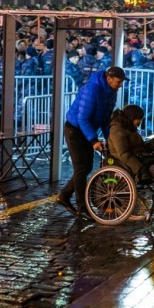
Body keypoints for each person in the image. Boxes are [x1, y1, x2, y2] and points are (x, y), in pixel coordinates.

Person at [56, 66, 129, 218]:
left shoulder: (111, 92)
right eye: (118, 82)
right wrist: (94, 140)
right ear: (109, 79)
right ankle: (82, 207)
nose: (120, 85)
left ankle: (64, 196)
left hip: (86, 130)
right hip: (74, 130)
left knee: (86, 167)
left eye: (121, 82)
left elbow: (105, 118)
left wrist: (110, 138)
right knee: (81, 168)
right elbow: (83, 118)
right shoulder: (92, 90)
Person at [107, 105, 154, 214]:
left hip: (141, 161)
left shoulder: (130, 129)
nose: (140, 121)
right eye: (138, 118)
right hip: (132, 166)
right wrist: (141, 169)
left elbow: (144, 148)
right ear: (131, 117)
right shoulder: (117, 130)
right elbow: (124, 155)